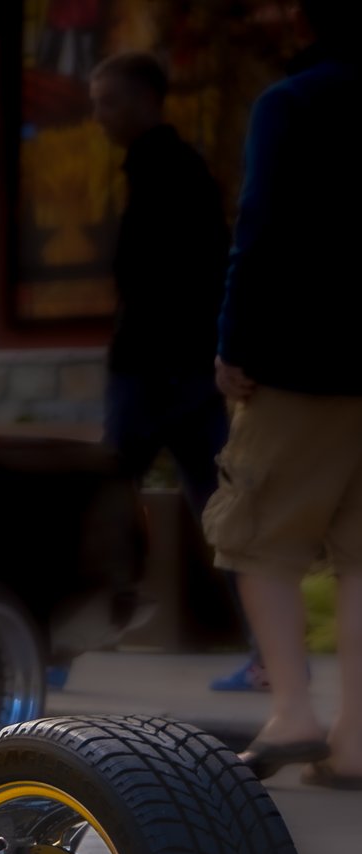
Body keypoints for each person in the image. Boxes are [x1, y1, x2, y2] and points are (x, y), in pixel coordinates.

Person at [208, 0, 362, 788]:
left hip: (301, 359)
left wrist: (234, 341)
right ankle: (357, 737)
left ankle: (294, 709)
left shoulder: (292, 103)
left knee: (259, 537)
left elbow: (260, 225)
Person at [89, 52, 258, 691]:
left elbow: (191, 275)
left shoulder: (171, 174)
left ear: (139, 102)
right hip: (178, 371)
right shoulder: (167, 170)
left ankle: (59, 644)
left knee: (106, 509)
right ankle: (268, 655)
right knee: (219, 507)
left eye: (106, 102)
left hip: (158, 374)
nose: (97, 116)